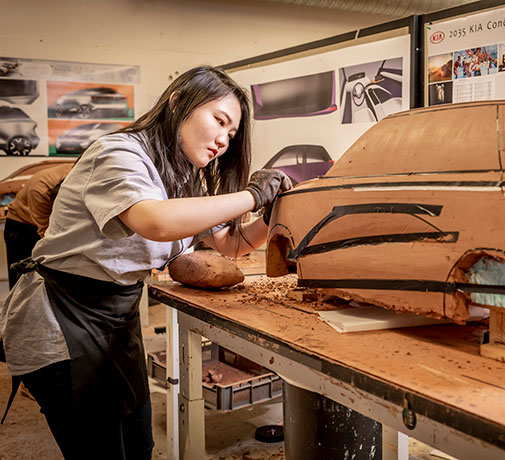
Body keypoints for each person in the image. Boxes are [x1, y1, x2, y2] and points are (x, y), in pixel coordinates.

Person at [0, 65, 291, 460]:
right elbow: (153, 220)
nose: (224, 140)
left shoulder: (184, 176)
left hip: (117, 321)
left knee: (138, 447)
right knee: (99, 450)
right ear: (178, 103)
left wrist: (273, 215)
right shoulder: (117, 153)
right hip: (61, 319)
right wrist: (253, 195)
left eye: (232, 133)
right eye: (219, 122)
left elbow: (229, 245)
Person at [3, 162, 73, 289]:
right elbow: (45, 234)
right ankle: (18, 308)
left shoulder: (76, 175)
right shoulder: (39, 189)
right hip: (22, 227)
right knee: (22, 279)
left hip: (47, 223)